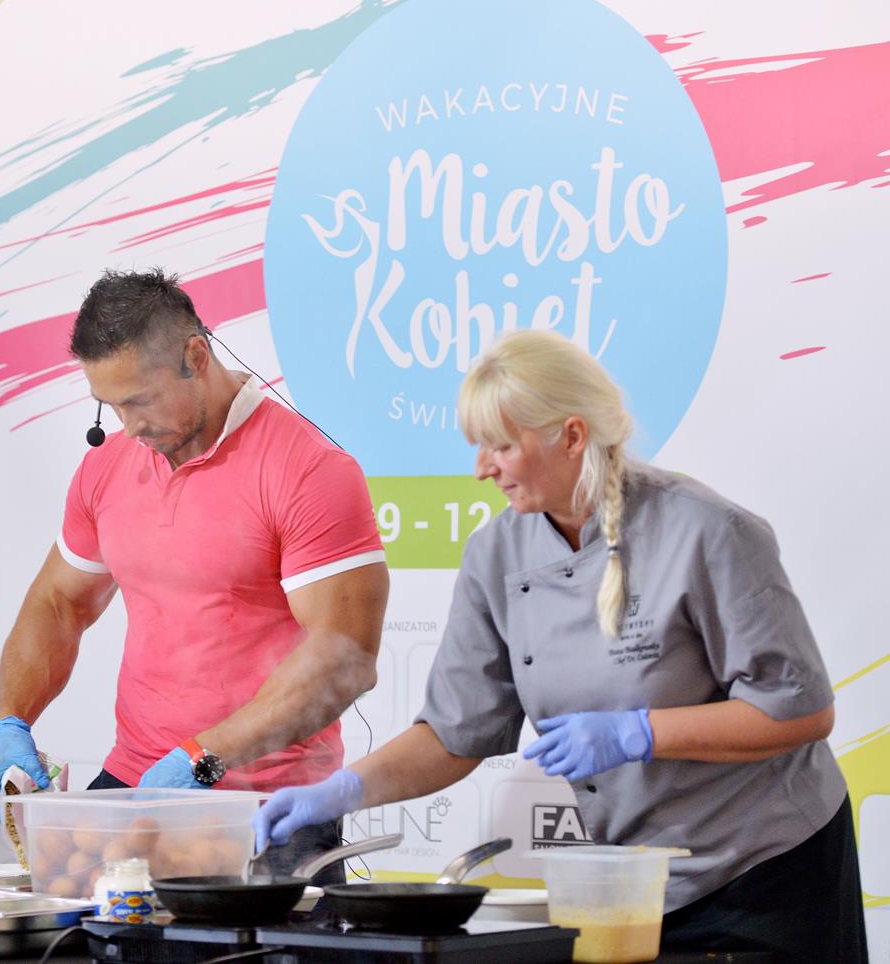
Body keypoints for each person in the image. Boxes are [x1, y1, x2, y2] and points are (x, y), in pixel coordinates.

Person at [253, 330, 866, 960]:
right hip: (633, 882)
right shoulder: (495, 555)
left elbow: (800, 710)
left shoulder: (705, 531)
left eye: (501, 446)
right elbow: (454, 735)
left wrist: (640, 733)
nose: (482, 468)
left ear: (571, 436)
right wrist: (345, 792)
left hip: (769, 870)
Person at [0, 269, 389, 880]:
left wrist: (204, 757)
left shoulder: (310, 470)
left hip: (267, 804)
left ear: (195, 357)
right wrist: (11, 722)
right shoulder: (108, 466)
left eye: (140, 401)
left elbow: (345, 660)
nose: (128, 427)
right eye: (110, 405)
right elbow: (60, 604)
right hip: (137, 784)